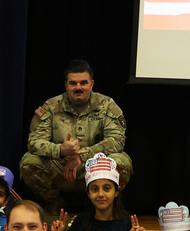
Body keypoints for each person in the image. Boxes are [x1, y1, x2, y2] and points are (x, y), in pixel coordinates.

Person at [19, 59, 131, 210]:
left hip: (94, 165)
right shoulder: (51, 106)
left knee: (122, 161)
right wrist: (60, 150)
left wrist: (82, 156)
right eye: (73, 83)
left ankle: (102, 207)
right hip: (60, 166)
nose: (78, 87)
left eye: (83, 83)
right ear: (66, 85)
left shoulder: (107, 105)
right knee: (29, 162)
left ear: (91, 84)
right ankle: (55, 203)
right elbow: (34, 141)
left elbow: (117, 140)